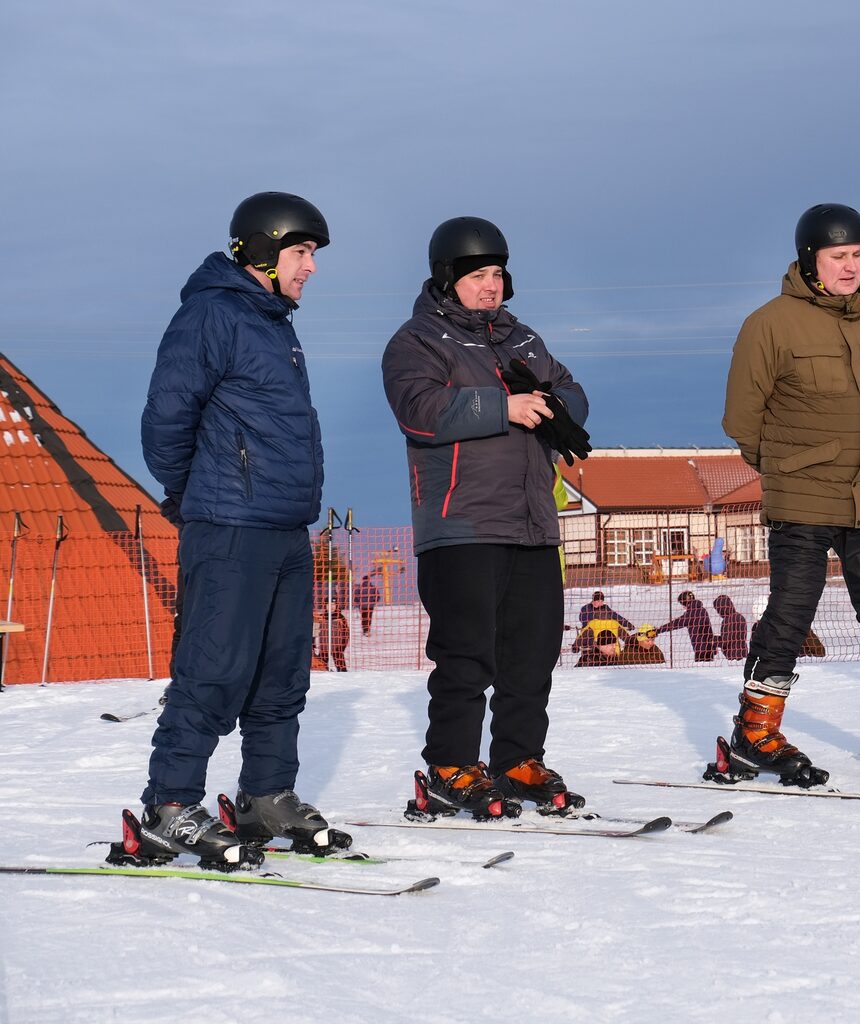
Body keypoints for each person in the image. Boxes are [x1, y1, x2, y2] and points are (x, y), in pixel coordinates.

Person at [117, 191, 347, 869]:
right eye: (302, 252)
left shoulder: (273, 321)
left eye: (311, 255)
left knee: (280, 677)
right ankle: (168, 808)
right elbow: (165, 421)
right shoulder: (211, 314)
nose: (311, 267)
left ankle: (265, 797)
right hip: (229, 526)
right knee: (212, 672)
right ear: (263, 250)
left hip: (282, 528)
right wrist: (197, 497)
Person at [711, 203, 860, 785]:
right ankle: (755, 731)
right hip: (804, 496)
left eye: (858, 255)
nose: (850, 267)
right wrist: (789, 468)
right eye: (838, 256)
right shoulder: (769, 323)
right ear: (809, 260)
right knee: (792, 613)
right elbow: (741, 419)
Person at [381, 215, 592, 820]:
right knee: (467, 653)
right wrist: (506, 405)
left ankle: (517, 759)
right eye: (477, 275)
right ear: (448, 278)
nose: (490, 286)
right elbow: (419, 410)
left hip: (531, 522)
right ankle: (451, 764)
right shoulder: (418, 341)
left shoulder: (522, 339)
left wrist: (550, 403)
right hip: (462, 524)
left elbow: (571, 391)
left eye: (497, 273)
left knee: (532, 652)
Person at [655, 589, 719, 662]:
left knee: (702, 668)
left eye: (682, 604)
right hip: (708, 647)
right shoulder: (703, 610)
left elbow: (675, 624)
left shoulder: (691, 614)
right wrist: (713, 647)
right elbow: (708, 630)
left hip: (701, 650)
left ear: (685, 603)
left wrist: (659, 630)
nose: (683, 607)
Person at [713, 594, 749, 660]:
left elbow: (725, 642)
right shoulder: (740, 617)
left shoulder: (727, 621)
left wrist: (713, 640)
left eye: (718, 610)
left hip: (733, 656)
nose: (718, 613)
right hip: (744, 653)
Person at [352, 572, 381, 637]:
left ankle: (365, 630)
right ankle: (367, 630)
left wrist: (357, 604)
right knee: (369, 618)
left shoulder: (359, 588)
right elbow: (378, 596)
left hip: (362, 606)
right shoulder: (373, 588)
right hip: (370, 606)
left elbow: (356, 597)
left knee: (364, 618)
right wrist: (373, 602)